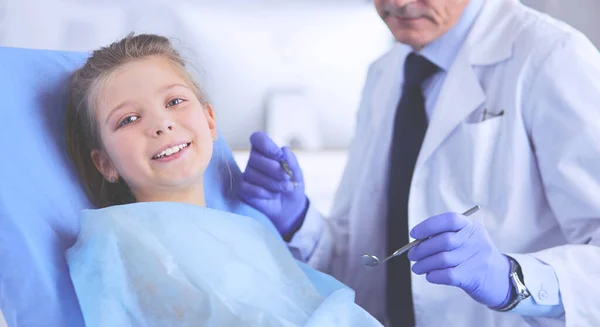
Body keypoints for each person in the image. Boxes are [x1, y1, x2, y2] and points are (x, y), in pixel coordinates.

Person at [238, 0, 600, 326]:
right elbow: (367, 260)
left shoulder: (552, 56)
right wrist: (298, 220)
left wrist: (512, 279)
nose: (398, 3)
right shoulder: (385, 72)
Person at [63, 33, 383, 326]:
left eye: (174, 102)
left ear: (210, 121)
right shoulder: (117, 242)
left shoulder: (249, 232)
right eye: (128, 119)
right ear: (105, 163)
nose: (162, 124)